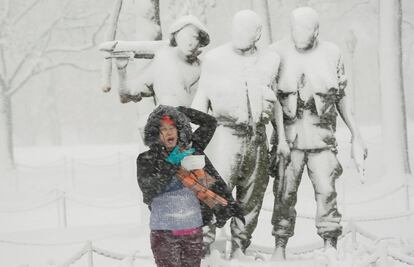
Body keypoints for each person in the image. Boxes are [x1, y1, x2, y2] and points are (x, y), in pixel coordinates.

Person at [269, 7, 368, 260]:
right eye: (296, 27)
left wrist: (356, 134)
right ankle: (280, 244)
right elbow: (271, 98)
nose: (300, 33)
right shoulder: (276, 52)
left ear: (316, 30)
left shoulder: (332, 52)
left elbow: (341, 97)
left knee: (326, 189)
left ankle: (329, 244)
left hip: (322, 134)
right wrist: (279, 137)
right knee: (284, 190)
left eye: (306, 28)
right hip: (288, 137)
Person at [191, 10, 288, 257]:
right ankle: (206, 249)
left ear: (257, 34)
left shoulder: (271, 60)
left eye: (245, 30)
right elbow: (201, 98)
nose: (238, 35)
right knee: (214, 192)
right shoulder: (215, 59)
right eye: (236, 29)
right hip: (226, 135)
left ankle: (239, 247)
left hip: (258, 136)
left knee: (252, 196)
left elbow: (275, 100)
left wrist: (282, 139)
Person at [136, 105, 244, 267]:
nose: (169, 132)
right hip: (164, 232)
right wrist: (172, 164)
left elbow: (209, 123)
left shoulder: (191, 149)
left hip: (193, 230)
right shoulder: (147, 159)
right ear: (156, 134)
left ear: (180, 129)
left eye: (173, 127)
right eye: (163, 129)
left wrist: (180, 112)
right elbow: (149, 189)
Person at [116, 15, 210, 107]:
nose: (189, 42)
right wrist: (121, 70)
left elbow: (218, 106)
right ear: (176, 38)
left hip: (197, 121)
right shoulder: (163, 62)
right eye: (184, 37)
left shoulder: (206, 69)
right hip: (165, 120)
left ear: (201, 41)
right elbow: (126, 96)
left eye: (194, 37)